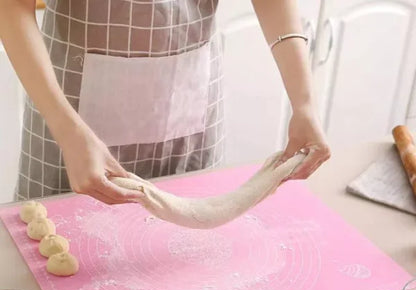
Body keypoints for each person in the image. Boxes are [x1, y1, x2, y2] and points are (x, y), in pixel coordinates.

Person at [0, 0, 330, 205]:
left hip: (189, 116)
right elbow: (11, 6)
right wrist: (68, 132)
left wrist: (303, 103)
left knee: (184, 267)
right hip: (70, 120)